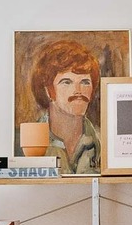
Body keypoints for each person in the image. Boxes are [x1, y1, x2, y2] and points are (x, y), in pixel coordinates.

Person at [28, 39, 102, 174]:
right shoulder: (28, 144)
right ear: (48, 90)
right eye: (66, 82)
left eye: (85, 82)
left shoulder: (103, 142)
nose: (78, 90)